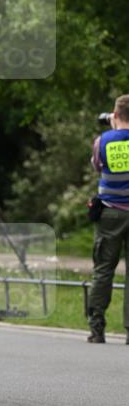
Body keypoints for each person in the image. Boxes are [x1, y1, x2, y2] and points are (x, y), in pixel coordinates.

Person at [87, 94, 129, 344]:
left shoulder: (102, 140)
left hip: (111, 213)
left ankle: (97, 328)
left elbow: (97, 166)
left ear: (115, 114)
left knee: (103, 270)